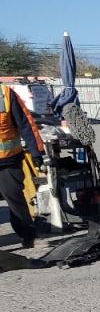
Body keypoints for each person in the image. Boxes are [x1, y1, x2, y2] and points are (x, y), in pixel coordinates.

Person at [0, 81, 46, 249]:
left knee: (15, 200)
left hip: (7, 160)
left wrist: (36, 152)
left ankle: (28, 236)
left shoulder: (6, 94)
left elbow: (26, 124)